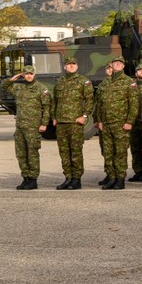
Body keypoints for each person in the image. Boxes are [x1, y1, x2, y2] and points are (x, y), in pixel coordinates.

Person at [0, 65, 52, 190]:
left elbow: (47, 107)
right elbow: (3, 87)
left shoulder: (41, 88)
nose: (29, 76)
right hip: (20, 127)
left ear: (34, 74)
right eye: (26, 74)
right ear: (23, 75)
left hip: (33, 127)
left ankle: (33, 179)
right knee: (21, 153)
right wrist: (11, 79)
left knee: (32, 153)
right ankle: (25, 178)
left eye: (31, 74)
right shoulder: (18, 87)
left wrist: (44, 123)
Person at [94, 56, 139, 190]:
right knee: (108, 152)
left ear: (123, 66)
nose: (117, 65)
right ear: (111, 65)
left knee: (120, 152)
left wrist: (129, 121)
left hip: (121, 123)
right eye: (115, 63)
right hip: (106, 124)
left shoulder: (129, 82)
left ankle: (120, 179)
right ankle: (111, 177)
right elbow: (99, 104)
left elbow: (134, 104)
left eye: (120, 63)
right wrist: (99, 120)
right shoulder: (104, 83)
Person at [53, 56, 95, 190]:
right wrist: (54, 117)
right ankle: (68, 178)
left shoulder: (83, 81)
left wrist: (84, 116)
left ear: (77, 66)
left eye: (73, 64)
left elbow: (90, 100)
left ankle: (76, 179)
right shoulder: (59, 81)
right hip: (61, 122)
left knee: (75, 151)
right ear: (64, 67)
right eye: (69, 64)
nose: (71, 66)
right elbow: (55, 101)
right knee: (64, 152)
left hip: (75, 123)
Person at [127, 64, 142, 183]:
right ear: (136, 73)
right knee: (135, 147)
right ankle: (138, 171)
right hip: (133, 121)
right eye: (139, 70)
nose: (141, 72)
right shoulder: (131, 85)